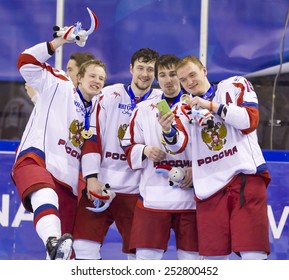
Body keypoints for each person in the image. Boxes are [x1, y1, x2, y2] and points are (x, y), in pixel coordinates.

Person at [158, 55, 271, 260]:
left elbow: (249, 121)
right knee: (213, 260)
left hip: (243, 177)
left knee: (253, 255)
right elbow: (177, 145)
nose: (189, 82)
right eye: (183, 80)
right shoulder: (182, 109)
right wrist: (167, 130)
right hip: (209, 188)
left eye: (192, 74)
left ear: (204, 71)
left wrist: (211, 106)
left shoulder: (234, 85)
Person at [11, 30, 107, 260]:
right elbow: (25, 61)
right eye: (92, 76)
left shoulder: (95, 111)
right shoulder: (60, 83)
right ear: (80, 77)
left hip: (68, 181)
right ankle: (52, 240)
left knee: (62, 255)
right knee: (46, 195)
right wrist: (60, 41)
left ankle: (54, 246)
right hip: (38, 158)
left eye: (101, 78)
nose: (97, 81)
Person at [72, 48, 162, 260]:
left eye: (150, 69)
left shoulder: (161, 100)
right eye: (140, 68)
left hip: (138, 190)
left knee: (140, 254)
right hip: (101, 184)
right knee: (83, 246)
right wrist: (91, 178)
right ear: (131, 69)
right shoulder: (108, 95)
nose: (145, 74)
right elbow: (92, 136)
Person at [121, 54, 200, 260]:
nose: (168, 80)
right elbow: (128, 147)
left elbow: (213, 149)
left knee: (191, 264)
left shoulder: (198, 107)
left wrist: (197, 169)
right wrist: (145, 150)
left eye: (173, 74)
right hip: (153, 197)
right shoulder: (143, 109)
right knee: (145, 262)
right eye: (162, 75)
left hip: (192, 199)